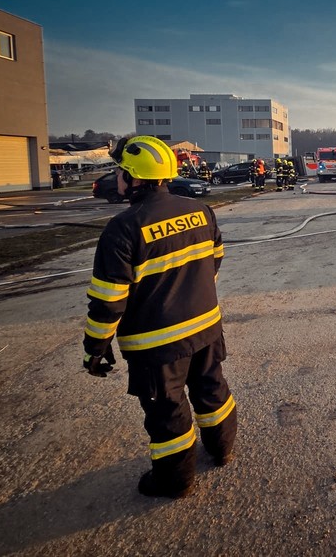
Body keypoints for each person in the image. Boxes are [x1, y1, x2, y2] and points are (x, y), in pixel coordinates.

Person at [82, 135, 237, 498]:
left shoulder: (123, 228)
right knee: (212, 389)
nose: (117, 177)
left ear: (133, 178)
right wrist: (192, 295)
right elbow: (214, 259)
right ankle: (222, 448)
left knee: (168, 411)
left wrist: (96, 346)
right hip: (206, 328)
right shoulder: (200, 211)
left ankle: (175, 480)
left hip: (158, 344)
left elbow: (109, 299)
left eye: (120, 171)